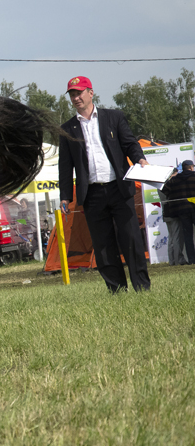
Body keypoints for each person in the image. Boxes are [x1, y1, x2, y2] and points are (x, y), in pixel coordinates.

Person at [59, 76, 150, 292]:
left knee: (131, 240)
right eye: (72, 94)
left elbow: (129, 144)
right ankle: (116, 290)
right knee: (103, 246)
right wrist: (65, 196)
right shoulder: (67, 129)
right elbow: (65, 166)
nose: (76, 97)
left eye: (79, 92)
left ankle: (142, 288)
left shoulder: (114, 117)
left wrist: (140, 159)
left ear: (91, 93)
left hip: (119, 189)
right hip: (91, 195)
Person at [161, 160, 195, 264]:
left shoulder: (174, 179)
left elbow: (164, 190)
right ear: (191, 167)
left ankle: (192, 260)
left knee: (187, 236)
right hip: (194, 208)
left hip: (182, 211)